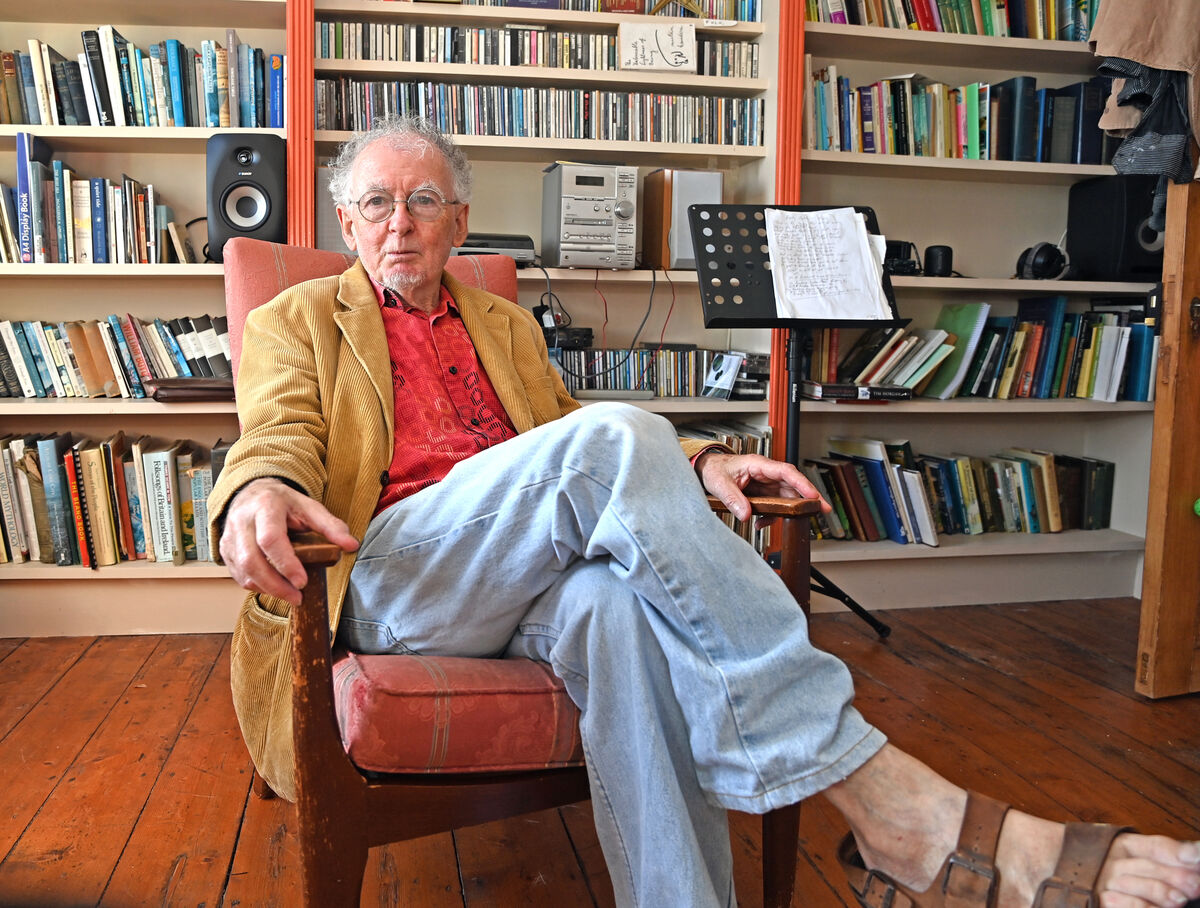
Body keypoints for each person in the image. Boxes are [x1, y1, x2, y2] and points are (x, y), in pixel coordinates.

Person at [209, 115, 1200, 908]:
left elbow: (564, 430)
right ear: (347, 221)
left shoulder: (502, 323)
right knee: (617, 435)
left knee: (614, 608)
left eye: (424, 201)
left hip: (521, 577)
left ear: (459, 222)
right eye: (377, 202)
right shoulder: (298, 319)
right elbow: (276, 432)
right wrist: (254, 490)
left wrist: (708, 459)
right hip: (396, 577)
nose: (400, 223)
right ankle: (883, 792)